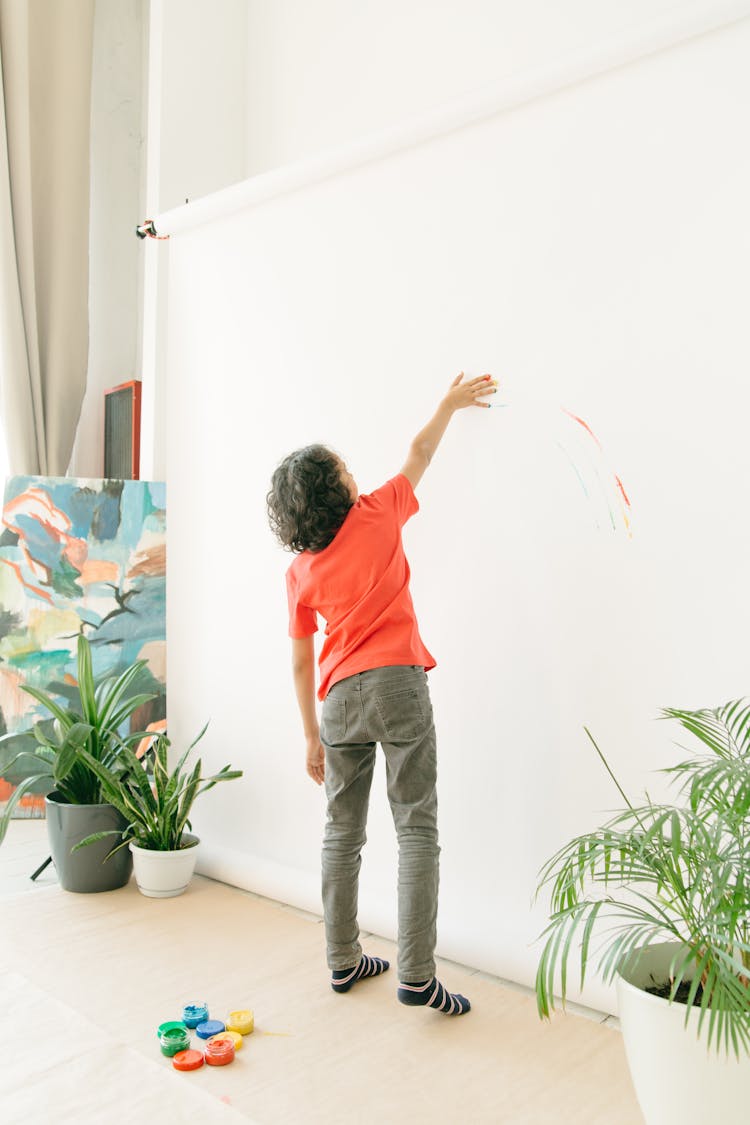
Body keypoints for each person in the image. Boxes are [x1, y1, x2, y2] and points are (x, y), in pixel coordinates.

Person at [267, 372, 496, 1015]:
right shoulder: (377, 513)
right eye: (342, 468)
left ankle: (342, 960)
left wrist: (311, 736)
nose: (351, 472)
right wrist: (447, 404)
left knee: (342, 832)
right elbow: (418, 456)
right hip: (397, 683)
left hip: (338, 698)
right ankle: (417, 976)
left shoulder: (299, 571)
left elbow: (298, 660)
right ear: (334, 490)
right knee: (416, 827)